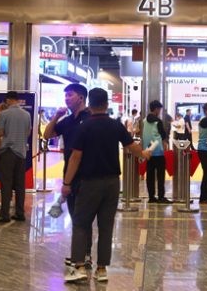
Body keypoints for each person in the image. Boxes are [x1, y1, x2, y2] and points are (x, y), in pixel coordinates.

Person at [62, 88, 151, 283]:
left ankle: (79, 267)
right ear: (107, 104)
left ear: (89, 104)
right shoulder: (115, 125)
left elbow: (75, 157)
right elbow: (132, 146)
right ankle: (101, 269)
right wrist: (144, 154)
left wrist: (67, 183)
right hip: (112, 183)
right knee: (106, 226)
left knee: (81, 224)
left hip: (89, 183)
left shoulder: (84, 126)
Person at [43, 83, 92, 265]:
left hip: (87, 175)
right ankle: (82, 255)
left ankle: (84, 255)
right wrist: (57, 116)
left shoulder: (90, 118)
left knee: (82, 218)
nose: (66, 98)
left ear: (81, 97)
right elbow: (47, 135)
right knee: (76, 217)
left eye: (70, 95)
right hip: (70, 175)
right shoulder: (68, 120)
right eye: (65, 95)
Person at [0, 91, 31, 223]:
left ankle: (4, 214)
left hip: (8, 151)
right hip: (22, 152)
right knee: (20, 184)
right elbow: (28, 132)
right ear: (17, 100)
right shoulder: (27, 114)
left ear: (8, 100)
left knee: (6, 183)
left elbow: (0, 132)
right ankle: (20, 213)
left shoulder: (4, 114)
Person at [141, 100, 171, 204]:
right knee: (160, 175)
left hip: (148, 151)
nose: (160, 111)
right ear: (157, 109)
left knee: (150, 175)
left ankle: (151, 197)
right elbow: (163, 135)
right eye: (159, 109)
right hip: (158, 151)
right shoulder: (158, 121)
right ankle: (161, 197)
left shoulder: (144, 121)